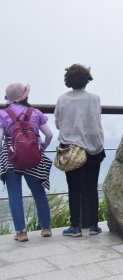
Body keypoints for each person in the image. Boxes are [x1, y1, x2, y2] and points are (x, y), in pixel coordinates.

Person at [55, 64, 105, 237]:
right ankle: (93, 226)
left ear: (68, 81)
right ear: (87, 80)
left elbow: (58, 123)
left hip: (71, 151)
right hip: (93, 149)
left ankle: (75, 227)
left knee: (73, 188)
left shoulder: (62, 99)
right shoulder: (95, 98)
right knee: (91, 188)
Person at [0, 83, 53, 242]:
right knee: (39, 193)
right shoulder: (35, 112)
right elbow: (49, 134)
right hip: (33, 157)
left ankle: (21, 233)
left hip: (11, 158)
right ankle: (45, 228)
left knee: (14, 195)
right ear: (25, 96)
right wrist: (42, 147)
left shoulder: (3, 113)